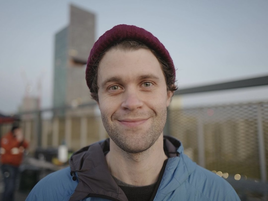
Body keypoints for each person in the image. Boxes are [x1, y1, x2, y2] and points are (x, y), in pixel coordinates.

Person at [26, 24, 240, 201]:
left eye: (146, 83)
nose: (132, 103)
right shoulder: (46, 195)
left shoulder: (219, 195)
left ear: (168, 95)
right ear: (98, 100)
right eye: (114, 87)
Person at [1, 124, 29, 201]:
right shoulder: (6, 138)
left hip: (16, 165)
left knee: (13, 186)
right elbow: (7, 149)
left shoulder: (19, 139)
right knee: (9, 186)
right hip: (8, 165)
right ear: (15, 131)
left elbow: (26, 146)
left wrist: (21, 140)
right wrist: (17, 143)